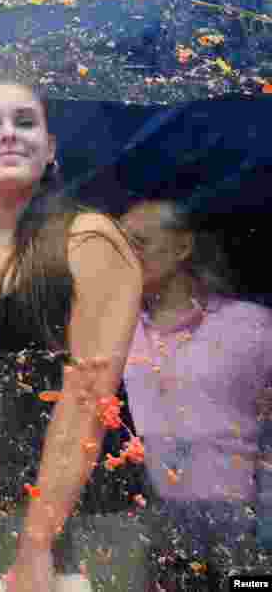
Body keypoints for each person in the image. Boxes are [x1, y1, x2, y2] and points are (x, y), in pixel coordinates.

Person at [0, 77, 143, 591]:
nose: (8, 135)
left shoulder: (89, 238)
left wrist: (37, 541)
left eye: (25, 122)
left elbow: (89, 401)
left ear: (50, 148)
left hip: (86, 512)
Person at [120, 199, 272, 590]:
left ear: (181, 247)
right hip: (141, 529)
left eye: (138, 242)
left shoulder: (252, 326)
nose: (125, 256)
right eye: (118, 246)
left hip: (236, 526)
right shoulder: (113, 333)